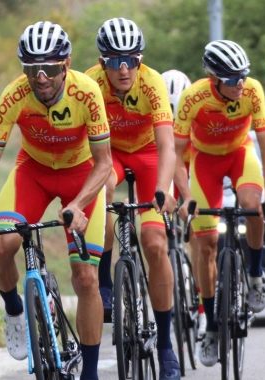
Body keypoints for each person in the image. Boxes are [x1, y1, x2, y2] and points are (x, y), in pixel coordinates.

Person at [0, 21, 111, 380]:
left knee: (85, 278)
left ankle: (90, 374)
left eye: (50, 68)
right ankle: (15, 311)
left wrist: (78, 204)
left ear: (66, 65)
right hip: (34, 172)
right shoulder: (14, 95)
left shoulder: (87, 92)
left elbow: (104, 164)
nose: (40, 77)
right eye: (30, 68)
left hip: (81, 176)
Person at [84, 17, 180, 380]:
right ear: (101, 62)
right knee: (104, 188)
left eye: (131, 61)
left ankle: (167, 347)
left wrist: (163, 188)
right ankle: (106, 280)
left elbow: (168, 146)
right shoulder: (89, 83)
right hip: (109, 156)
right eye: (113, 61)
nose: (123, 70)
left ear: (140, 61)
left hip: (147, 155)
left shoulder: (152, 83)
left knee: (155, 244)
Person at [174, 40, 265, 367]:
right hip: (205, 162)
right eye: (231, 80)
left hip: (240, 154)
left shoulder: (252, 91)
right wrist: (186, 197)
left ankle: (256, 274)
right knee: (205, 246)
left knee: (252, 204)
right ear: (213, 78)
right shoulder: (194, 98)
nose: (240, 84)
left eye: (243, 76)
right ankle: (213, 326)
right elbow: (175, 153)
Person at [161, 69, 209, 338]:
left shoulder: (198, 116)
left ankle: (203, 308)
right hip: (170, 166)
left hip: (195, 168)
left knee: (200, 237)